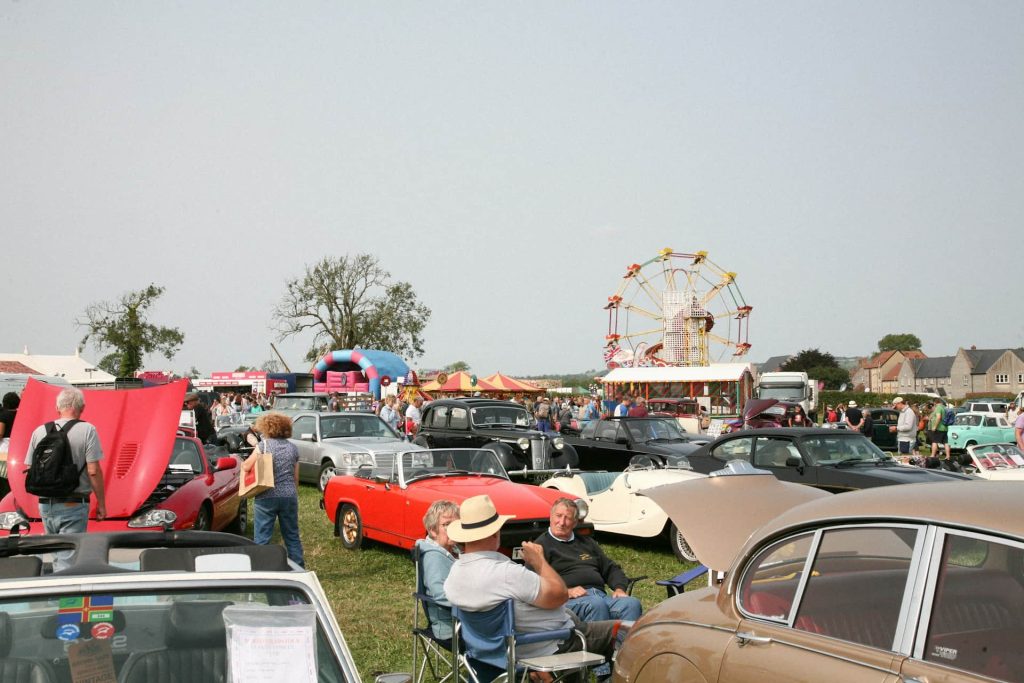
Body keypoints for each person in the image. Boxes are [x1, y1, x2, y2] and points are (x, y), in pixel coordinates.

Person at [444, 495, 619, 682]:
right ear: (495, 532)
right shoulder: (505, 573)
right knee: (624, 631)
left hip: (488, 651)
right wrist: (539, 561)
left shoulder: (454, 575)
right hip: (548, 643)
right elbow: (559, 595)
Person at [24, 387, 107, 570]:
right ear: (82, 408)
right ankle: (60, 598)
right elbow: (93, 471)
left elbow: (30, 468)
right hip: (74, 504)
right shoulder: (87, 430)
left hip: (46, 504)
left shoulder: (40, 431)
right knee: (68, 561)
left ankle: (54, 595)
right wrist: (101, 504)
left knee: (58, 554)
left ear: (57, 408)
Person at [535, 498, 642, 623]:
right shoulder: (540, 546)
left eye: (568, 518)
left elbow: (610, 568)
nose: (562, 522)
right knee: (595, 605)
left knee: (631, 604)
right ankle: (598, 642)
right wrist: (566, 592)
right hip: (567, 601)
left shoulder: (586, 542)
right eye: (558, 516)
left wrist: (619, 588)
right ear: (551, 516)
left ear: (575, 523)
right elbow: (533, 582)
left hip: (599, 596)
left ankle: (622, 643)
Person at [245, 412, 304, 567]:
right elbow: (296, 478)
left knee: (262, 537)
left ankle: (260, 568)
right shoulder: (293, 448)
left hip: (266, 494)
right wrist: (293, 493)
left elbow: (247, 466)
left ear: (266, 428)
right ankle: (298, 567)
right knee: (291, 535)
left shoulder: (263, 446)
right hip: (289, 495)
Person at [416, 500, 460, 646]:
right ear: (432, 530)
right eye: (447, 524)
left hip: (463, 622)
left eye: (456, 524)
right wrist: (475, 604)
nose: (453, 529)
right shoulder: (433, 556)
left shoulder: (453, 550)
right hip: (451, 628)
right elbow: (439, 594)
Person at [890, 397, 917, 462]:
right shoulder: (903, 412)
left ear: (899, 403)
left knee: (905, 459)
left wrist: (896, 428)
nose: (895, 408)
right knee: (903, 458)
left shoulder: (908, 412)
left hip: (906, 440)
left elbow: (908, 426)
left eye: (895, 406)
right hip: (903, 439)